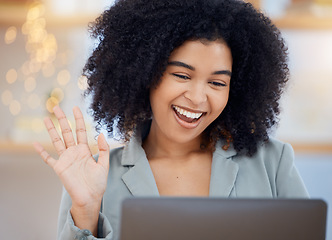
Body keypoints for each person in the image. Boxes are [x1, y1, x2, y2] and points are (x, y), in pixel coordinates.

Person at [33, 0, 309, 239]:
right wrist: (86, 211)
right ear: (145, 73)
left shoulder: (272, 162)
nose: (199, 97)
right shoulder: (96, 178)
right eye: (181, 75)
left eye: (217, 82)